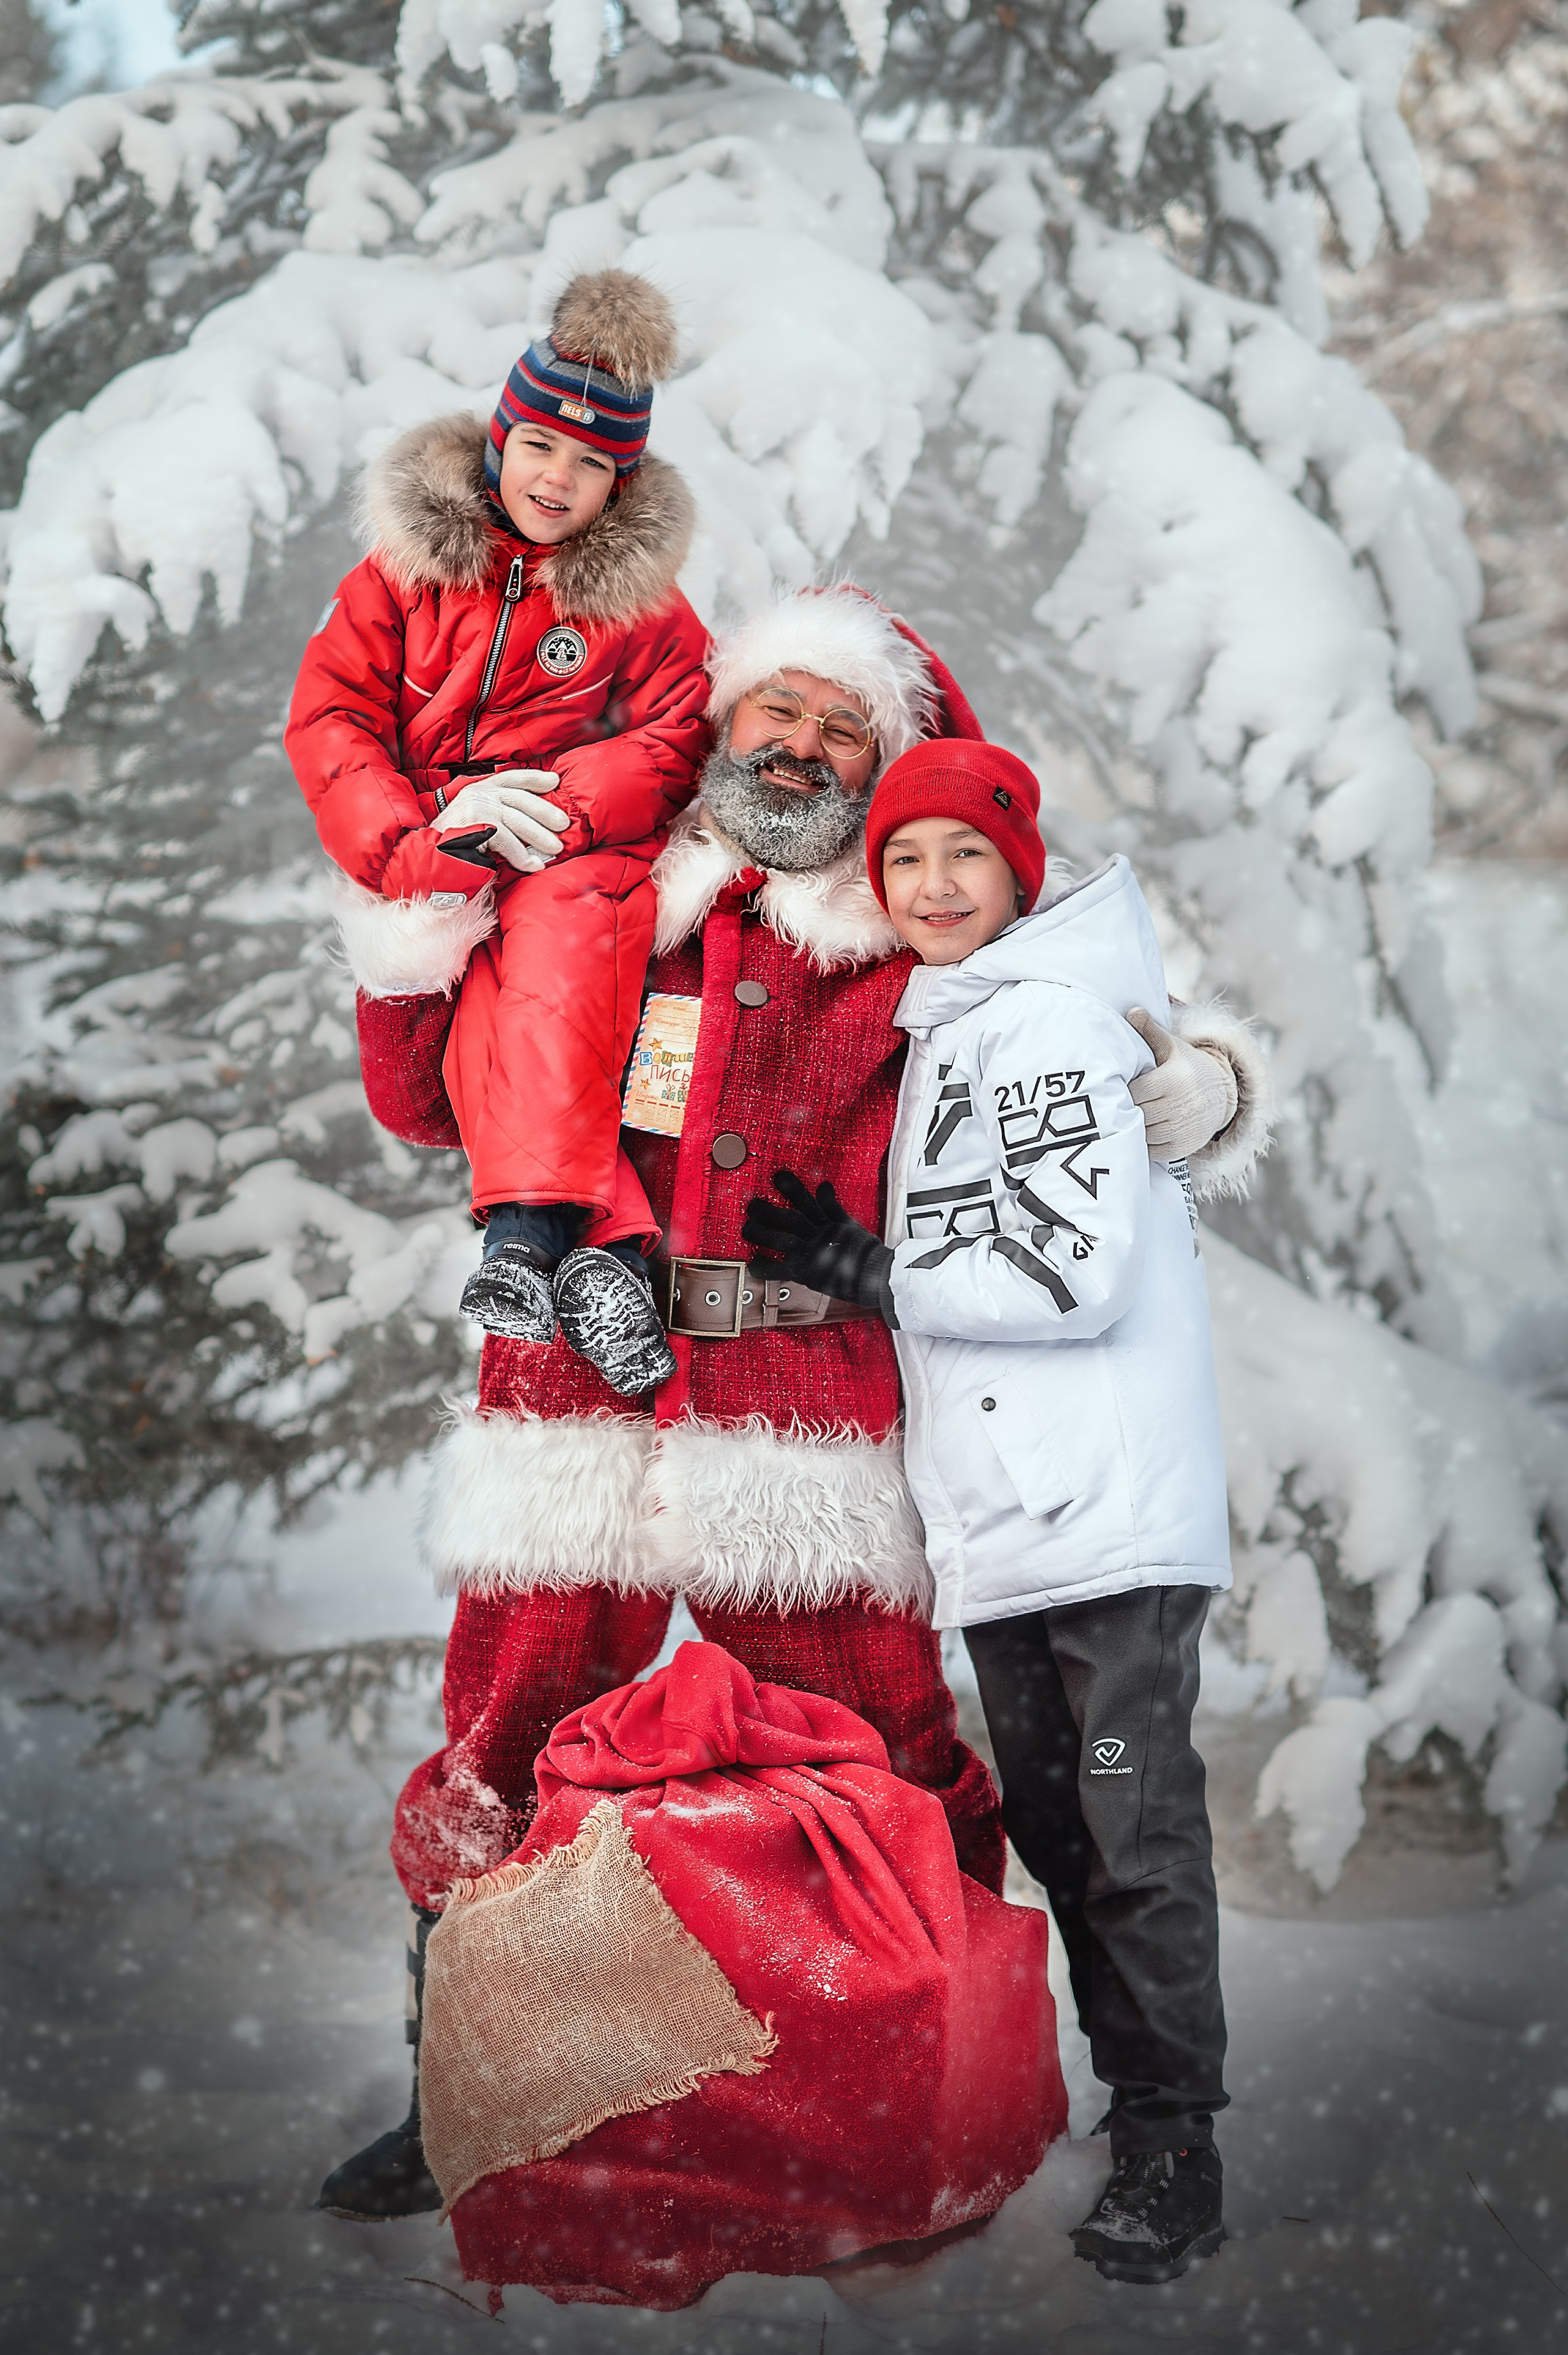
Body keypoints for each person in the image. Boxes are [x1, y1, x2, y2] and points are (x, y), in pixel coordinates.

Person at [318, 587, 1269, 2227]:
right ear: (723, 725)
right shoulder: (607, 895)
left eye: (845, 727)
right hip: (578, 1389)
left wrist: (1202, 1082)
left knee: (888, 1757)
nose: (805, 746)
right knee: (508, 1740)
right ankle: (463, 2083)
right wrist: (420, 914)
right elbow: (421, 1102)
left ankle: (949, 2064)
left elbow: (1094, 1017)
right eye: (783, 713)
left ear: (887, 763)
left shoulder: (926, 926)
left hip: (806, 1410)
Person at [743, 735, 1233, 2287]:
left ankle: (1172, 2142)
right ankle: (1132, 2109)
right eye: (902, 860)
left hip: (1105, 1536)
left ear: (1018, 870)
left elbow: (1065, 1273)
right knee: (1065, 1823)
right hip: (1016, 1538)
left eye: (964, 855)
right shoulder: (958, 1026)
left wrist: (868, 1273)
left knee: (1123, 1818)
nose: (932, 886)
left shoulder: (1039, 1029)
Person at [287, 270, 710, 1397]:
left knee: (559, 949)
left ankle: (524, 1238)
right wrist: (421, 848)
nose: (558, 479)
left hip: (572, 854)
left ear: (621, 485)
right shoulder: (402, 574)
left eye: (592, 465)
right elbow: (332, 720)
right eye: (540, 448)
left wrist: (561, 808)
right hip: (434, 846)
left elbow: (674, 737)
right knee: (484, 995)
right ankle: (609, 1244)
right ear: (498, 440)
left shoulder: (641, 604)